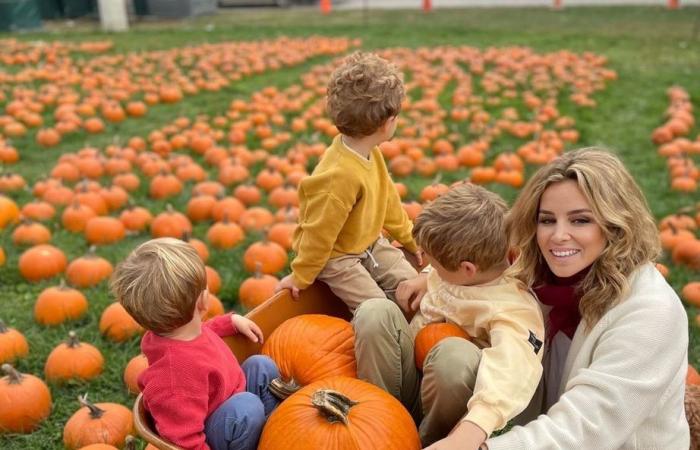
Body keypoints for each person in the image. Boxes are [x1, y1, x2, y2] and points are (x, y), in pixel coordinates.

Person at [434, 148, 690, 449]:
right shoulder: (538, 278)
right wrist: (431, 276)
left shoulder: (650, 313)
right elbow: (476, 274)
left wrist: (482, 447)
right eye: (547, 220)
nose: (558, 236)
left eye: (580, 221)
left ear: (616, 224)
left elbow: (587, 427)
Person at [275, 51, 421, 310]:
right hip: (337, 257)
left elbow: (387, 200)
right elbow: (318, 234)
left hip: (368, 243)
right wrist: (301, 276)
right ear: (387, 124)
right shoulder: (338, 177)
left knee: (411, 284)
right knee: (377, 310)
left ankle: (407, 323)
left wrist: (409, 238)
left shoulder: (370, 152)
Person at [407, 182, 545, 449]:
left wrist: (475, 427)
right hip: (410, 369)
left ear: (467, 270)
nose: (430, 268)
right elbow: (440, 273)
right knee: (376, 313)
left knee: (454, 357)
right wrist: (424, 277)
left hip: (446, 395)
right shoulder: (471, 263)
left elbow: (512, 368)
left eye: (432, 264)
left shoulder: (512, 308)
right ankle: (375, 405)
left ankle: (429, 441)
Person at [111, 238, 280, 450]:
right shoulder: (174, 378)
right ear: (202, 302)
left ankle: (277, 426)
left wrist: (230, 322)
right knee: (247, 406)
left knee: (260, 365)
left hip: (228, 397)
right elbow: (184, 440)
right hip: (215, 433)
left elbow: (204, 331)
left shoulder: (176, 331)